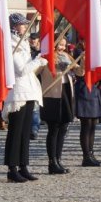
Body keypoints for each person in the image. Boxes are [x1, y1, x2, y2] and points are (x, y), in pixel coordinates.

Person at [3, 13, 47, 182]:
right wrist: (38, 61)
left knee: (25, 132)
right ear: (15, 26)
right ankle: (12, 168)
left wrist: (37, 61)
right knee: (15, 132)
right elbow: (20, 69)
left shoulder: (23, 43)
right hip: (18, 92)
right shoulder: (11, 44)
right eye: (22, 24)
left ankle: (23, 165)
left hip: (29, 91)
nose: (25, 27)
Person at [40, 36, 75, 174]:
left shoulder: (67, 56)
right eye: (59, 44)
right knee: (54, 129)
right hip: (52, 95)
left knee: (64, 127)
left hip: (66, 92)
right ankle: (52, 161)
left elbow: (80, 71)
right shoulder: (47, 57)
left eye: (64, 45)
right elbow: (35, 72)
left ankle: (59, 159)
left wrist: (80, 62)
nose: (62, 48)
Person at [73, 42, 101, 167]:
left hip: (94, 90)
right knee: (86, 125)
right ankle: (86, 156)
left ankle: (91, 154)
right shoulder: (78, 53)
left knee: (93, 124)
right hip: (84, 89)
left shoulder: (96, 54)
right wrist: (83, 58)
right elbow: (79, 73)